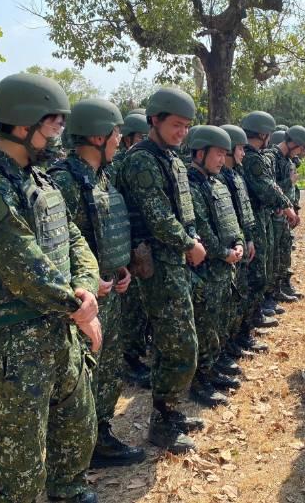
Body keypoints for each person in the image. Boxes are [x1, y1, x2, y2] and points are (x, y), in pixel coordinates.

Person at [0, 72, 102, 503]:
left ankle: (68, 491)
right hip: (14, 341)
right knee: (22, 462)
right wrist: (80, 307)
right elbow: (23, 264)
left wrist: (86, 289)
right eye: (51, 123)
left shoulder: (40, 179)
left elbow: (74, 240)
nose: (58, 133)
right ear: (21, 124)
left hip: (59, 327)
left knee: (76, 427)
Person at [48, 98, 146, 468]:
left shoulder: (103, 176)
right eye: (116, 132)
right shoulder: (65, 181)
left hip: (112, 290)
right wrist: (88, 283)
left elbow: (110, 229)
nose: (120, 139)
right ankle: (75, 449)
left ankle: (100, 434)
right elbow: (59, 245)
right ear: (96, 135)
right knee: (80, 376)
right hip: (84, 299)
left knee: (107, 369)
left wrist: (121, 268)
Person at [117, 86, 206, 454]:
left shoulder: (169, 157)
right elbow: (158, 215)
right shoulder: (141, 160)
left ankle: (169, 411)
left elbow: (182, 209)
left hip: (175, 261)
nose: (181, 132)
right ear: (154, 120)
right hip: (158, 263)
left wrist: (192, 237)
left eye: (186, 127)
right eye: (176, 125)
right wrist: (189, 244)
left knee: (181, 341)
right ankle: (162, 421)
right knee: (178, 344)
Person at [187, 126, 244, 407]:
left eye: (225, 154)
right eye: (218, 154)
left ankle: (214, 367)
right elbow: (203, 229)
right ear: (200, 153)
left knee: (218, 322)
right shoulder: (192, 185)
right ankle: (201, 381)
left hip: (224, 267)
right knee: (205, 326)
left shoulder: (217, 183)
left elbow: (231, 220)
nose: (222, 160)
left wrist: (240, 243)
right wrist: (224, 253)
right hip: (207, 271)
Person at [108, 111, 152, 389]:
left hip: (136, 242)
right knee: (132, 306)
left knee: (139, 304)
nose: (143, 141)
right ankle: (130, 359)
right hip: (126, 244)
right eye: (140, 137)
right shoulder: (121, 165)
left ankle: (135, 351)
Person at [240, 111, 296, 331]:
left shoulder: (253, 155)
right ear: (263, 134)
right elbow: (266, 186)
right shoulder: (253, 158)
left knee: (263, 267)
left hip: (260, 217)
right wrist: (286, 205)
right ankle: (253, 317)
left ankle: (256, 313)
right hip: (255, 219)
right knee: (258, 271)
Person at [217, 124, 258, 361]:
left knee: (241, 293)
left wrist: (248, 239)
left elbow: (243, 212)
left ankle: (237, 337)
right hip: (228, 248)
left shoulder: (236, 175)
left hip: (240, 242)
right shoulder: (220, 178)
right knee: (231, 299)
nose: (243, 153)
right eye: (240, 148)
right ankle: (227, 345)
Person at [264, 126, 305, 306]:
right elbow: (271, 189)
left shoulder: (286, 159)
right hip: (275, 215)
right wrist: (288, 182)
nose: (301, 153)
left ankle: (281, 286)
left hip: (285, 213)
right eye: (300, 148)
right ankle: (271, 292)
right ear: (292, 143)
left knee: (283, 253)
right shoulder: (272, 158)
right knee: (274, 256)